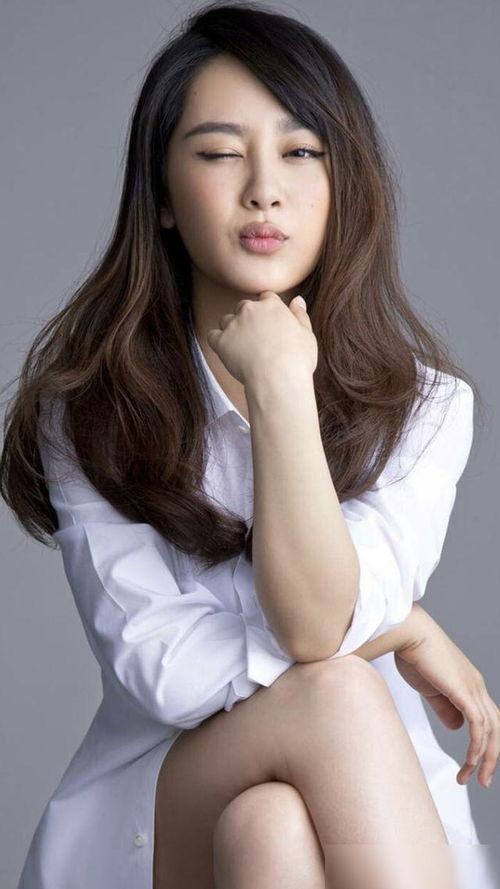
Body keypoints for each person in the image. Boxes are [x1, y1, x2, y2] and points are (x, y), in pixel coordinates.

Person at [1, 2, 498, 888]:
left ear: (344, 184)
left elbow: (316, 626)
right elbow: (165, 669)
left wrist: (281, 390)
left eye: (301, 153)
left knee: (272, 826)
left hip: (363, 812)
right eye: (220, 153)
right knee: (335, 688)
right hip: (162, 812)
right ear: (162, 195)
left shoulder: (427, 409)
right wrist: (395, 627)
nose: (264, 189)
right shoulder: (92, 412)